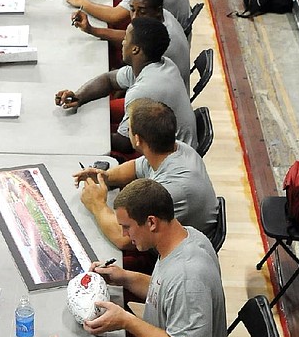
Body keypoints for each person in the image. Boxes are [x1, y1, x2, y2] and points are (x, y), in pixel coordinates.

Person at [84, 179, 227, 337]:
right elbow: (165, 291)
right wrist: (123, 277)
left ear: (151, 222)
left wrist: (127, 321)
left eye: (128, 227)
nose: (125, 235)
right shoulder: (186, 237)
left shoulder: (189, 277)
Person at [75, 99, 218, 259]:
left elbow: (123, 238)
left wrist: (97, 204)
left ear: (137, 139)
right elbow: (135, 167)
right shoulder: (172, 148)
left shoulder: (171, 190)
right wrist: (103, 176)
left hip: (183, 255)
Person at [55, 17, 196, 153]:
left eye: (126, 39)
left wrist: (88, 138)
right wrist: (79, 96)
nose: (122, 42)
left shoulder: (144, 90)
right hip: (171, 145)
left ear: (135, 49)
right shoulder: (162, 63)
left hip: (169, 157)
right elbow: (109, 79)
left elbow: (126, 144)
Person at [72, 0, 190, 89]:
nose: (134, 17)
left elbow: (126, 78)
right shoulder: (162, 16)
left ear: (157, 11)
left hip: (159, 95)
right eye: (132, 10)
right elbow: (129, 37)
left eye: (142, 12)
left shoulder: (163, 44)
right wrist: (91, 29)